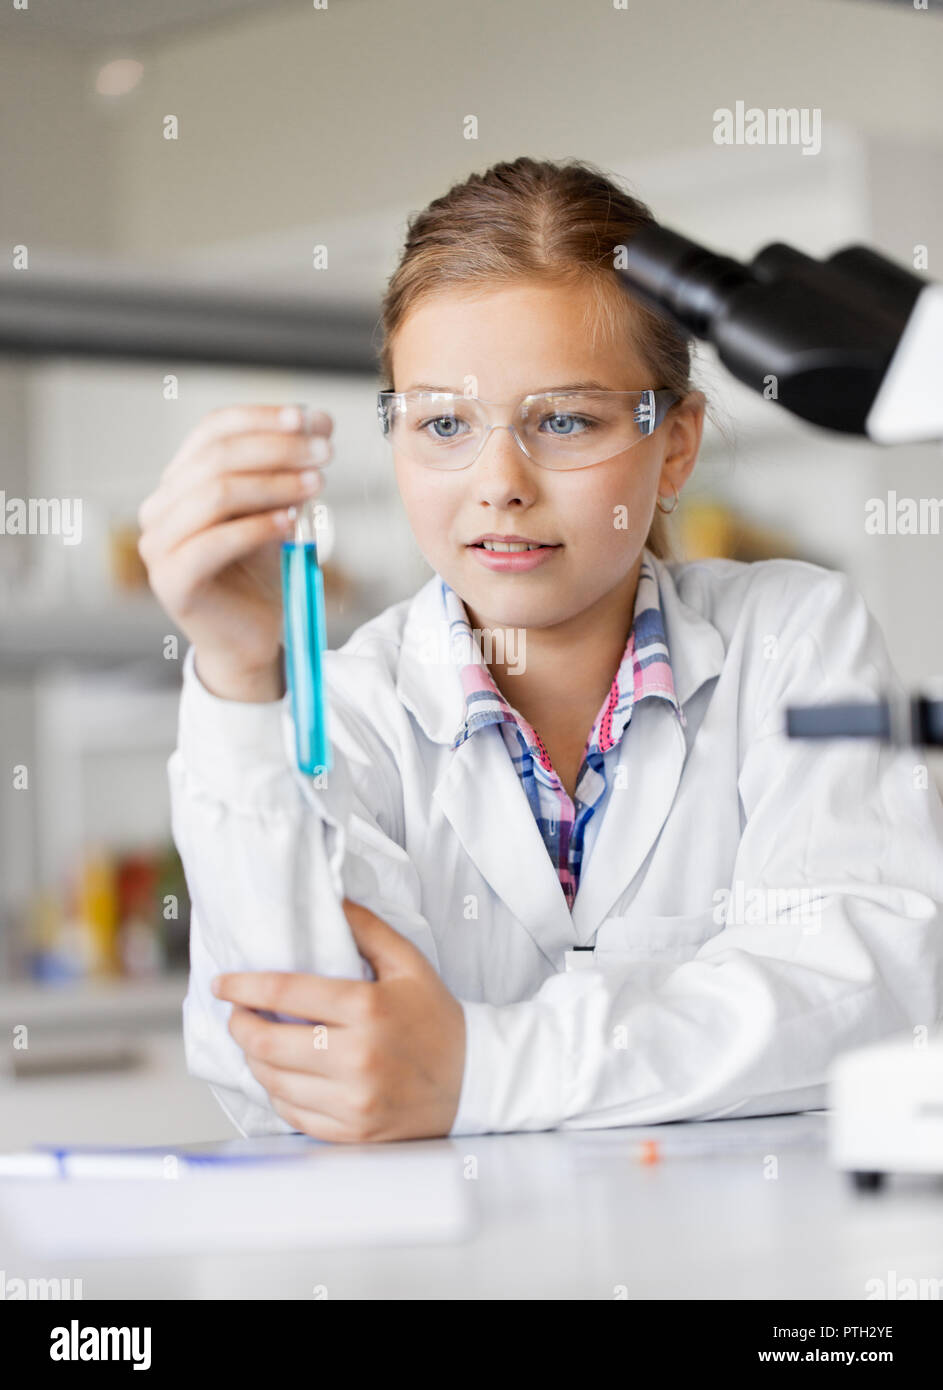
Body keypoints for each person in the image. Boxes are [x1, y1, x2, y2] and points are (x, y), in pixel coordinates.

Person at [138, 156, 943, 1143]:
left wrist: (480, 1070)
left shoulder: (790, 636)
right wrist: (236, 676)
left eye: (563, 420)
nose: (499, 483)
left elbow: (859, 989)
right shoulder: (341, 708)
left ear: (675, 442)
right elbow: (293, 1058)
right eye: (442, 423)